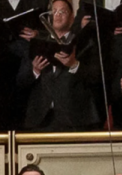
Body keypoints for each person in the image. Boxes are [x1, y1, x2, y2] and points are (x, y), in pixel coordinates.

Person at [19, 0, 102, 132]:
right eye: (54, 11)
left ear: (72, 18)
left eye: (63, 11)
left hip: (75, 119)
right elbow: (21, 81)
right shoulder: (36, 44)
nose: (58, 15)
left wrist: (74, 65)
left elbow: (96, 77)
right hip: (41, 120)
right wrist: (35, 70)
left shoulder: (85, 43)